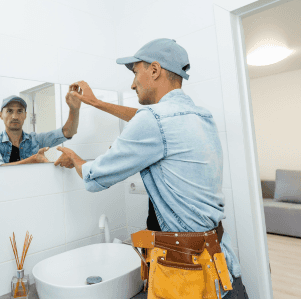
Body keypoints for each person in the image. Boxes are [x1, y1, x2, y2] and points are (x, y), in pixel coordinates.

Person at [54, 39, 249, 298]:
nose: (132, 83)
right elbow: (149, 119)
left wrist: (75, 159)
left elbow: (94, 177)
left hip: (189, 278)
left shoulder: (154, 121)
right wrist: (97, 103)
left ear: (154, 70)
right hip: (221, 266)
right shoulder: (200, 116)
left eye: (135, 73)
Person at [0, 93, 81, 167]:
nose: (15, 116)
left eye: (20, 111)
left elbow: (67, 132)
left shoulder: (35, 140)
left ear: (25, 115)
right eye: (9, 111)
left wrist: (74, 110)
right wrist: (31, 160)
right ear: (1, 115)